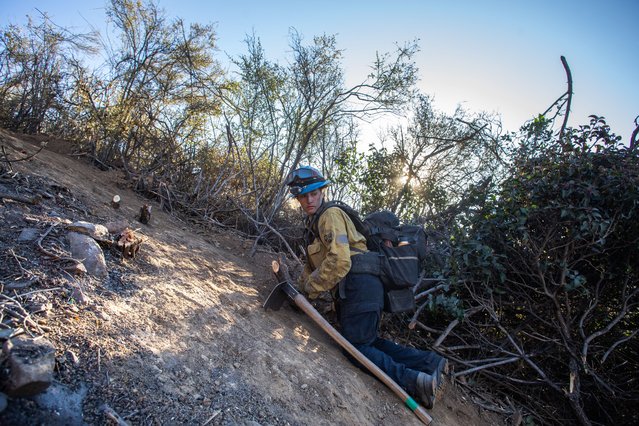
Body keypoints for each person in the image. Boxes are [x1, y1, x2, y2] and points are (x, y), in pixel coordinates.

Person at [285, 166, 448, 409]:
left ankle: (415, 381)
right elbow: (315, 266)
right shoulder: (315, 224)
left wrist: (309, 291)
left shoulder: (329, 216)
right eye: (303, 195)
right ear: (297, 197)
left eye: (314, 193)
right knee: (365, 341)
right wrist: (300, 288)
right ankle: (428, 363)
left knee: (356, 349)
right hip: (365, 287)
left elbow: (340, 261)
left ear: (322, 192)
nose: (309, 200)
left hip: (359, 285)